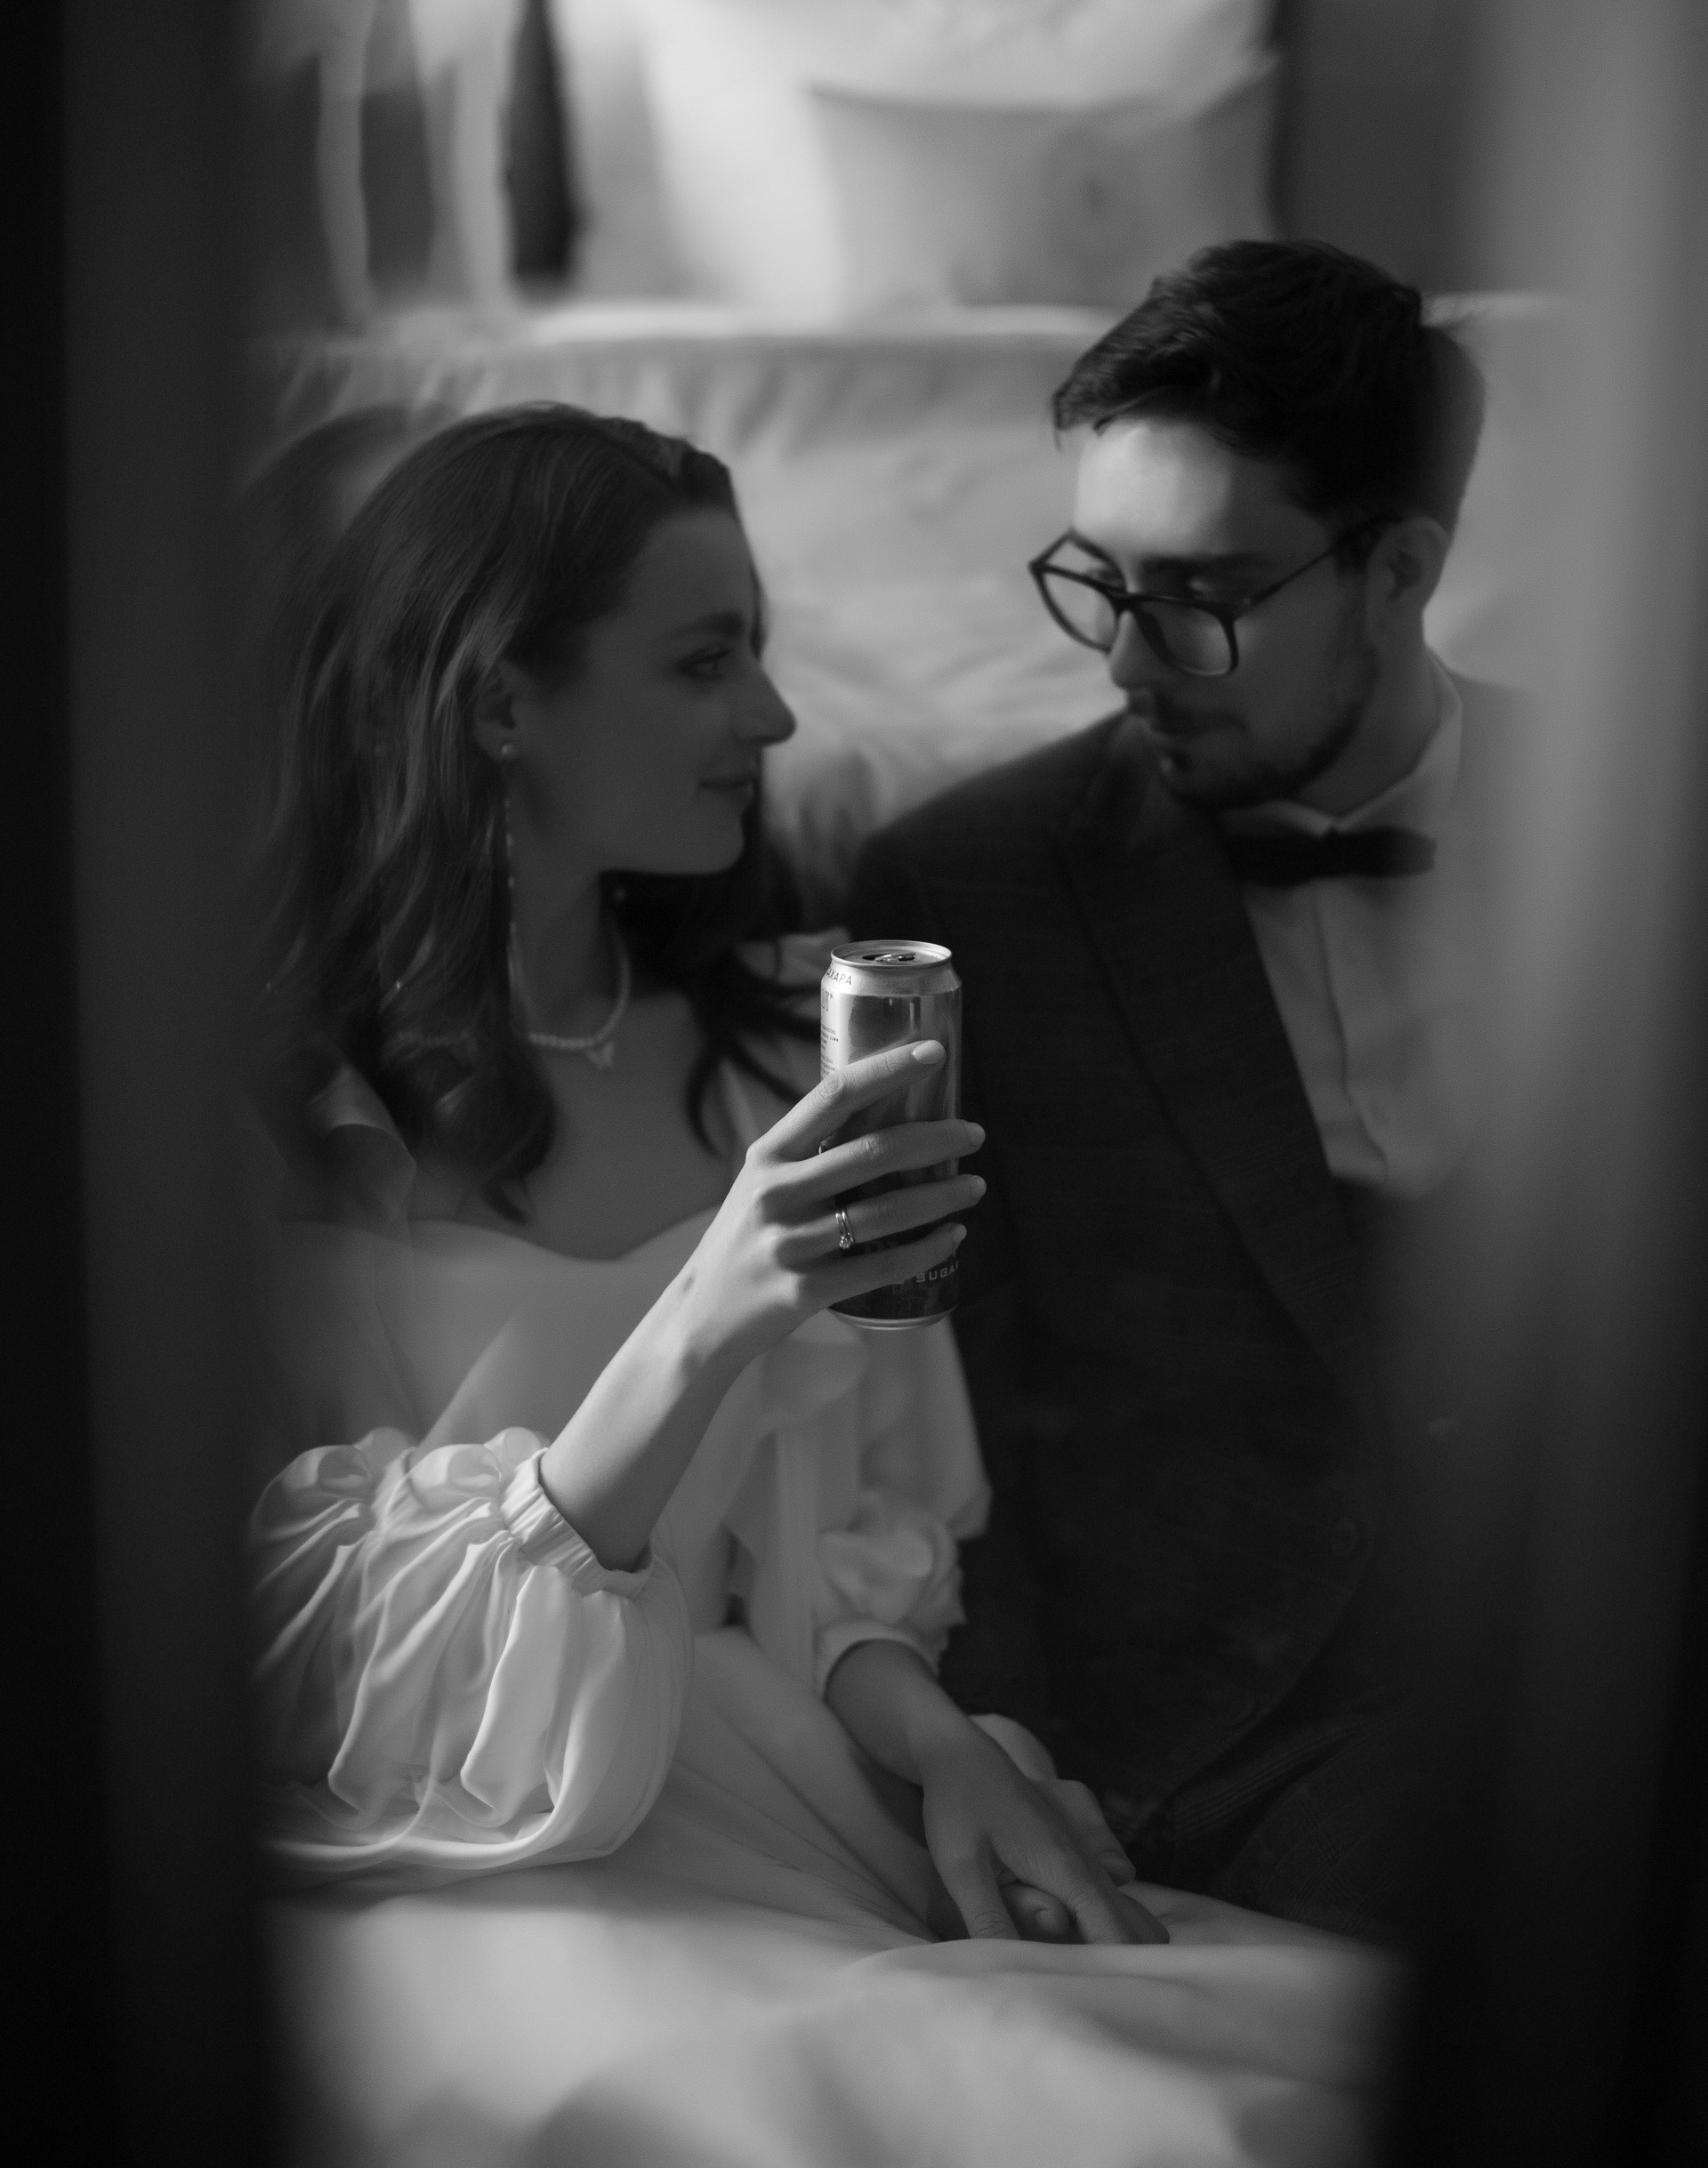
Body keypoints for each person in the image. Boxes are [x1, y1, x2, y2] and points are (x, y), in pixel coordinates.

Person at [246, 399, 1394, 2168]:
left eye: (763, 653)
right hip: (476, 1858)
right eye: (706, 661)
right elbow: (311, 1667)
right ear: (498, 701)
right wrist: (705, 1313)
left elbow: (830, 1559)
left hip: (793, 1789)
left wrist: (948, 1748)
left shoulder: (799, 1041)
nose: (774, 719)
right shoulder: (266, 1121)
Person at [848, 240, 1514, 1942]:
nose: (1129, 662)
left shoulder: (1647, 815)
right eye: (1101, 580)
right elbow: (944, 1404)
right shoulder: (964, 891)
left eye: (1201, 594)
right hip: (1247, 1722)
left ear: (1401, 570)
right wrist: (1021, 1756)